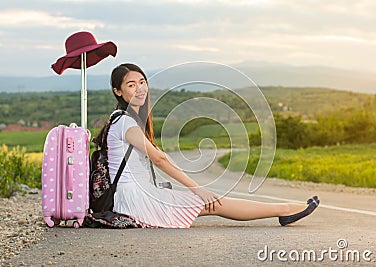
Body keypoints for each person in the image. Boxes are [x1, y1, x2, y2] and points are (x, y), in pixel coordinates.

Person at [94, 63, 320, 228]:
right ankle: (286, 210)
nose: (140, 88)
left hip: (136, 196)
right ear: (118, 91)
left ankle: (286, 210)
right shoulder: (124, 121)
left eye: (142, 82)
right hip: (134, 200)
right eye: (131, 85)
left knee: (213, 203)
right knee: (214, 203)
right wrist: (198, 189)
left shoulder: (127, 120)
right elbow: (159, 159)